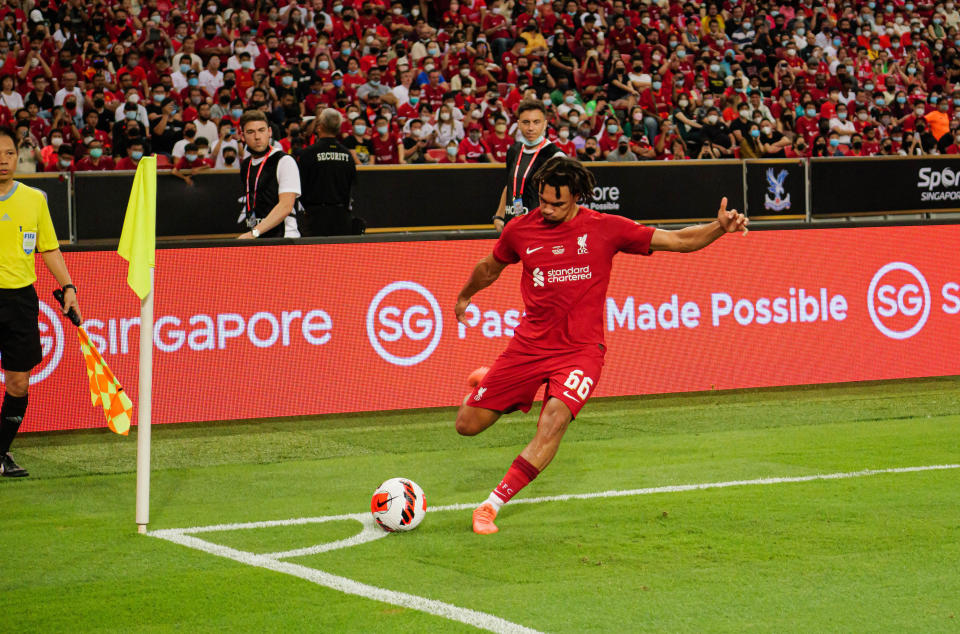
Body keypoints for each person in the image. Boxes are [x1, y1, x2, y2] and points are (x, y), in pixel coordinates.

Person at [453, 156, 748, 534]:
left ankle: (491, 506)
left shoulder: (604, 228)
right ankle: (492, 381)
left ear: (577, 196)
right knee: (467, 425)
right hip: (529, 347)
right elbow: (489, 268)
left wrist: (718, 228)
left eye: (556, 204)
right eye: (542, 200)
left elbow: (677, 240)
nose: (547, 209)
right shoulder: (520, 230)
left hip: (580, 352)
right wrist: (465, 296)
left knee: (554, 419)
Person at [0, 126, 82, 477]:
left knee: (18, 383)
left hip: (19, 301)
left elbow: (48, 247)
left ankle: (0, 452)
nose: (2, 161)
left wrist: (68, 288)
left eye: (8, 153)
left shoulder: (34, 199)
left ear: (19, 157)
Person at [491, 99, 564, 234]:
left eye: (536, 122)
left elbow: (564, 198)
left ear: (545, 124)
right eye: (526, 122)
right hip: (512, 226)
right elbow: (510, 185)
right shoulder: (514, 150)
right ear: (518, 124)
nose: (531, 128)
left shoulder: (555, 156)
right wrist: (499, 216)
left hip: (539, 229)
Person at [236, 110, 301, 239]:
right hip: (259, 235)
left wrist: (254, 233)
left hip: (284, 238)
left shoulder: (284, 161)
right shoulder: (246, 165)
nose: (257, 136)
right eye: (250, 132)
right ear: (242, 136)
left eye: (261, 130)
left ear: (269, 132)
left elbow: (286, 206)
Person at [297, 109, 359, 236]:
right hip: (342, 216)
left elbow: (300, 186)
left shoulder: (308, 153)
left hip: (316, 216)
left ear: (319, 127)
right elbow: (352, 184)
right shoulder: (347, 154)